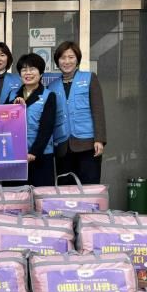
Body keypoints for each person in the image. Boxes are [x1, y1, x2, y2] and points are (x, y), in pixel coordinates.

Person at [48, 41, 107, 184]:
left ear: (77, 59)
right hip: (62, 147)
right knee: (65, 189)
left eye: (71, 57)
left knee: (89, 187)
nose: (67, 61)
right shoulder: (51, 87)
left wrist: (99, 139)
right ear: (57, 61)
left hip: (87, 144)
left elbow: (98, 110)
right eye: (63, 58)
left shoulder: (89, 78)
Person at [13, 53, 56, 187]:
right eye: (24, 70)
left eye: (32, 69)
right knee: (17, 196)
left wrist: (34, 152)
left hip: (41, 155)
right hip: (17, 155)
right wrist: (13, 108)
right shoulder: (12, 95)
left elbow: (47, 128)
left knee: (41, 195)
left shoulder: (48, 95)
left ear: (41, 73)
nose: (28, 73)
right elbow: (5, 124)